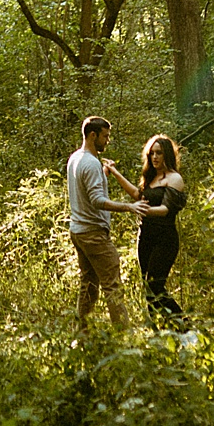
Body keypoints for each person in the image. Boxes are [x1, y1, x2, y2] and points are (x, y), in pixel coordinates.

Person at [66, 115, 148, 332]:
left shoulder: (76, 158)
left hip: (79, 231)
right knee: (112, 285)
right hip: (93, 234)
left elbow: (87, 188)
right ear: (93, 135)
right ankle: (124, 336)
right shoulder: (90, 163)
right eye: (105, 136)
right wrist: (129, 207)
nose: (107, 141)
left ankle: (82, 334)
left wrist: (104, 173)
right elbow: (97, 200)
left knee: (89, 285)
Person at [105, 132, 188, 326]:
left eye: (159, 153)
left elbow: (165, 210)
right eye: (152, 153)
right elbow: (137, 194)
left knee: (155, 285)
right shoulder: (151, 177)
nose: (155, 157)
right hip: (145, 237)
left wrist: (141, 209)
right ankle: (160, 331)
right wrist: (115, 173)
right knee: (147, 286)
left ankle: (185, 328)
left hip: (165, 238)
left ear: (167, 154)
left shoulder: (175, 179)